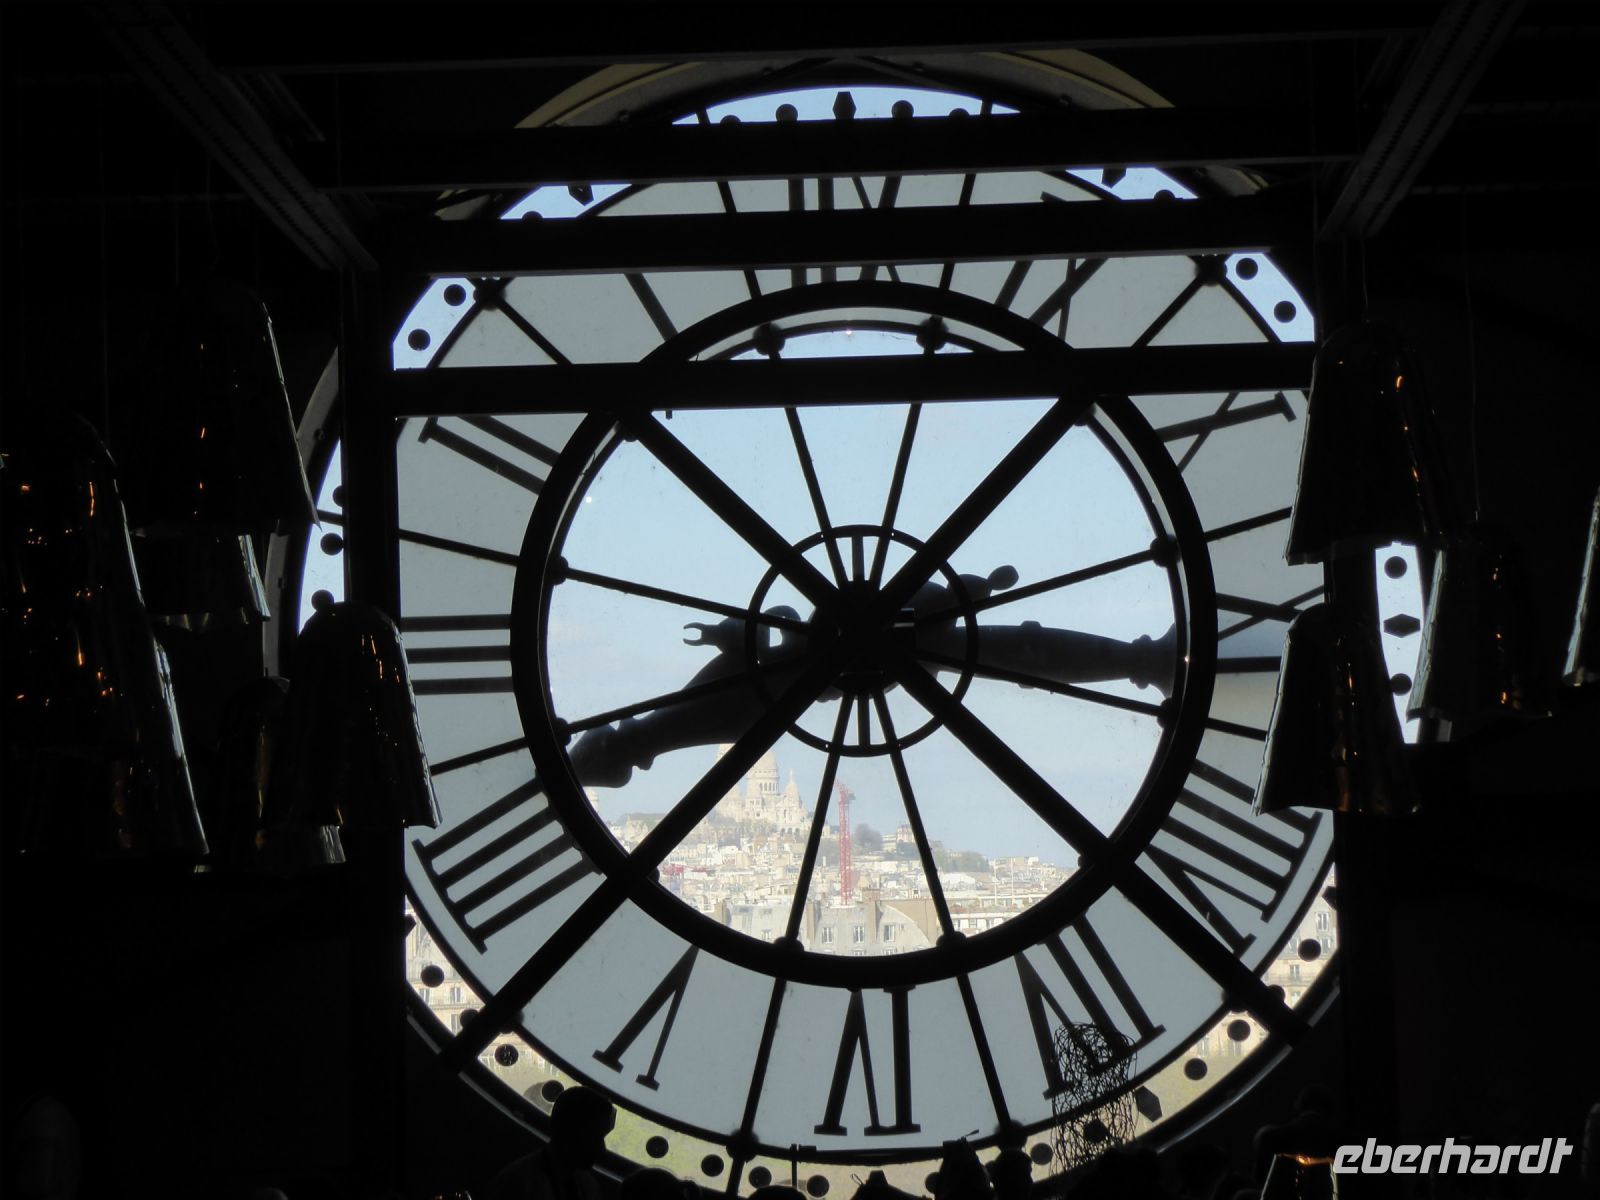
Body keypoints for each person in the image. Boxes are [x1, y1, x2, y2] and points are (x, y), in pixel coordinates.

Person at [487, 1086, 616, 1200]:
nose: (601, 1149)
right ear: (570, 1133)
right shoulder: (588, 1186)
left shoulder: (518, 1182)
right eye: (594, 1137)